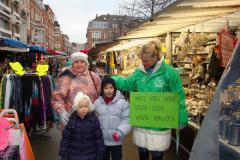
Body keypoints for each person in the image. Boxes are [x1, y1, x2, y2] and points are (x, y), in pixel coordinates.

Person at [112, 40, 188, 160]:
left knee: (157, 155)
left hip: (160, 124)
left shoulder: (170, 73)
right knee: (142, 152)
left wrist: (182, 116)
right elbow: (128, 83)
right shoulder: (139, 72)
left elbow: (178, 95)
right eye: (142, 60)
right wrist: (113, 80)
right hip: (142, 123)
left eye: (146, 61)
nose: (143, 63)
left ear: (156, 57)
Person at [52, 52, 101, 127]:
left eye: (82, 62)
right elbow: (57, 98)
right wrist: (62, 111)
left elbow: (101, 96)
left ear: (86, 63)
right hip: (71, 121)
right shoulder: (66, 77)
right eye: (76, 62)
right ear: (72, 63)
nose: (79, 64)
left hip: (91, 120)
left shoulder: (94, 77)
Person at [59, 92, 105, 160]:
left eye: (86, 106)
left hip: (90, 155)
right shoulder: (71, 121)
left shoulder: (93, 121)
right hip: (74, 155)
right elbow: (66, 139)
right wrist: (63, 153)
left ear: (89, 107)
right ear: (76, 107)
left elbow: (98, 138)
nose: (83, 109)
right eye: (80, 107)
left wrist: (100, 153)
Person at [94, 76, 131, 160]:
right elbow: (94, 120)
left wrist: (120, 132)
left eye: (111, 87)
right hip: (102, 141)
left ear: (115, 88)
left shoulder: (122, 103)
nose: (109, 90)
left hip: (116, 141)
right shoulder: (97, 103)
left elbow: (127, 119)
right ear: (102, 89)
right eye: (106, 88)